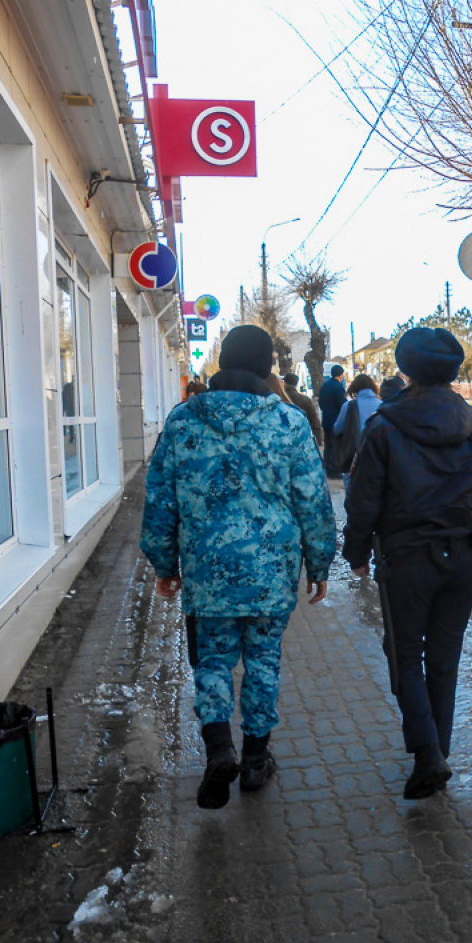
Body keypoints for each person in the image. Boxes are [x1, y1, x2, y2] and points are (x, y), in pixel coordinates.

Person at [141, 325, 336, 810]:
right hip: (272, 572)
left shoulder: (183, 420)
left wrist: (164, 563)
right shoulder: (289, 423)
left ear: (222, 361)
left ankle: (218, 749)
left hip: (207, 571)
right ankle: (254, 761)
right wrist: (320, 562)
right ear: (268, 366)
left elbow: (160, 499)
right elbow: (313, 500)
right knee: (264, 663)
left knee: (211, 662)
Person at [343, 327, 472, 801]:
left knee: (403, 654)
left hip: (406, 561)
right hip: (464, 558)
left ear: (404, 369)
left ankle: (428, 755)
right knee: (444, 658)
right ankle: (436, 751)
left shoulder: (384, 426)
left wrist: (356, 553)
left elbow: (364, 500)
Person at [333, 373, 381, 487]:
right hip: (377, 453)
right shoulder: (382, 405)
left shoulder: (348, 406)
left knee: (351, 483)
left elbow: (337, 429)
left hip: (354, 453)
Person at [318, 364, 347, 478]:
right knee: (336, 446)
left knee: (328, 445)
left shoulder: (325, 386)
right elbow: (343, 405)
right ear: (340, 375)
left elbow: (320, 403)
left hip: (326, 420)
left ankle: (328, 468)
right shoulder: (338, 387)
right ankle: (335, 470)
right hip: (336, 421)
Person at [284, 372, 323, 446]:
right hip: (302, 437)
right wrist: (318, 439)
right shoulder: (304, 399)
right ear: (296, 385)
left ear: (284, 384)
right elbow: (314, 420)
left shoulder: (280, 398)